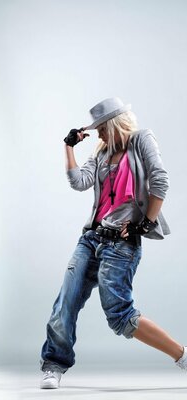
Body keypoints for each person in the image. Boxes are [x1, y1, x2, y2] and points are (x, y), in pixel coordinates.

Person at [40, 97, 186, 389]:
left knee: (119, 315)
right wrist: (68, 147)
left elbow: (160, 180)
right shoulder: (102, 152)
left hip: (121, 244)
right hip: (91, 238)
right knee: (65, 301)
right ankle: (54, 364)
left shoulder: (141, 140)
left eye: (101, 129)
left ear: (113, 124)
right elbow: (78, 181)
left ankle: (182, 356)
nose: (99, 134)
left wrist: (144, 224)